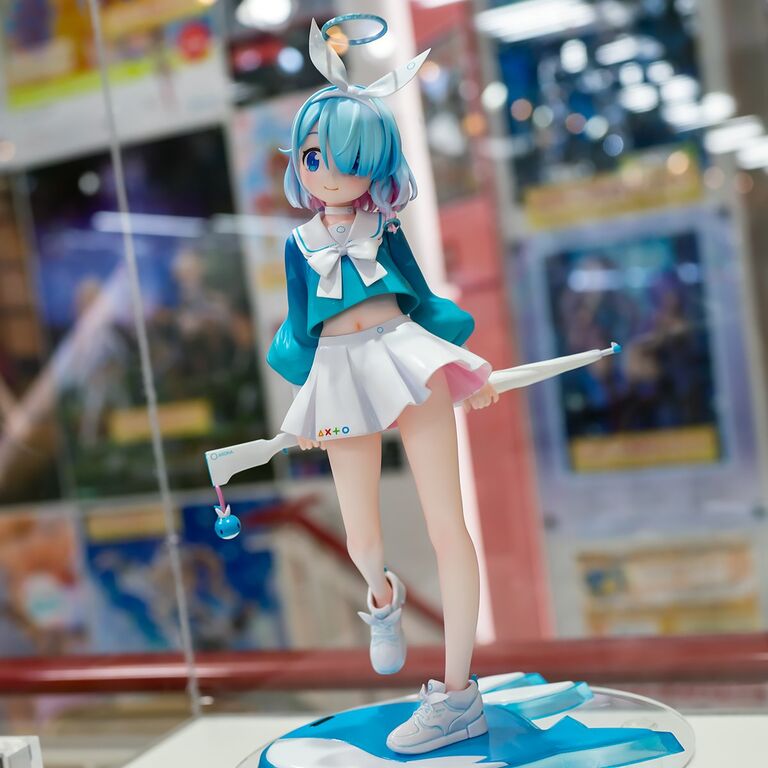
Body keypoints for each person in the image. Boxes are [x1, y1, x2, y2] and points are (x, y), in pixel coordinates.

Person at [266, 19, 499, 754]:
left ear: (376, 164)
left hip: (404, 358)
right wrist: (305, 405)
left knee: (448, 525)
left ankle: (458, 695)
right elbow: (299, 326)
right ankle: (382, 597)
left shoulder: (386, 227)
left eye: (348, 159)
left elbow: (422, 301)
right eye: (314, 157)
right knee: (361, 537)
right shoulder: (298, 244)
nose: (328, 174)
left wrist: (466, 367)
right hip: (339, 375)